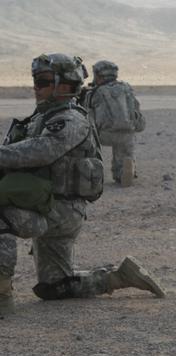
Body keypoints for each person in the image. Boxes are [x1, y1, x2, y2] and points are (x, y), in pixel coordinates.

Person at [0, 53, 164, 316]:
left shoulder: (70, 119)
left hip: (59, 210)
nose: (35, 88)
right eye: (35, 81)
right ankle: (117, 278)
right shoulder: (41, 118)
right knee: (55, 287)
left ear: (64, 85)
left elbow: (42, 151)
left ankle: (2, 298)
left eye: (42, 82)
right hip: (43, 204)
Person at [82, 60, 145, 186]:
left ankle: (92, 173)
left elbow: (87, 114)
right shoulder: (126, 88)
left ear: (98, 75)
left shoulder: (95, 92)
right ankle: (124, 169)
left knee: (88, 146)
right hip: (127, 132)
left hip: (103, 134)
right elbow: (136, 111)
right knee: (125, 148)